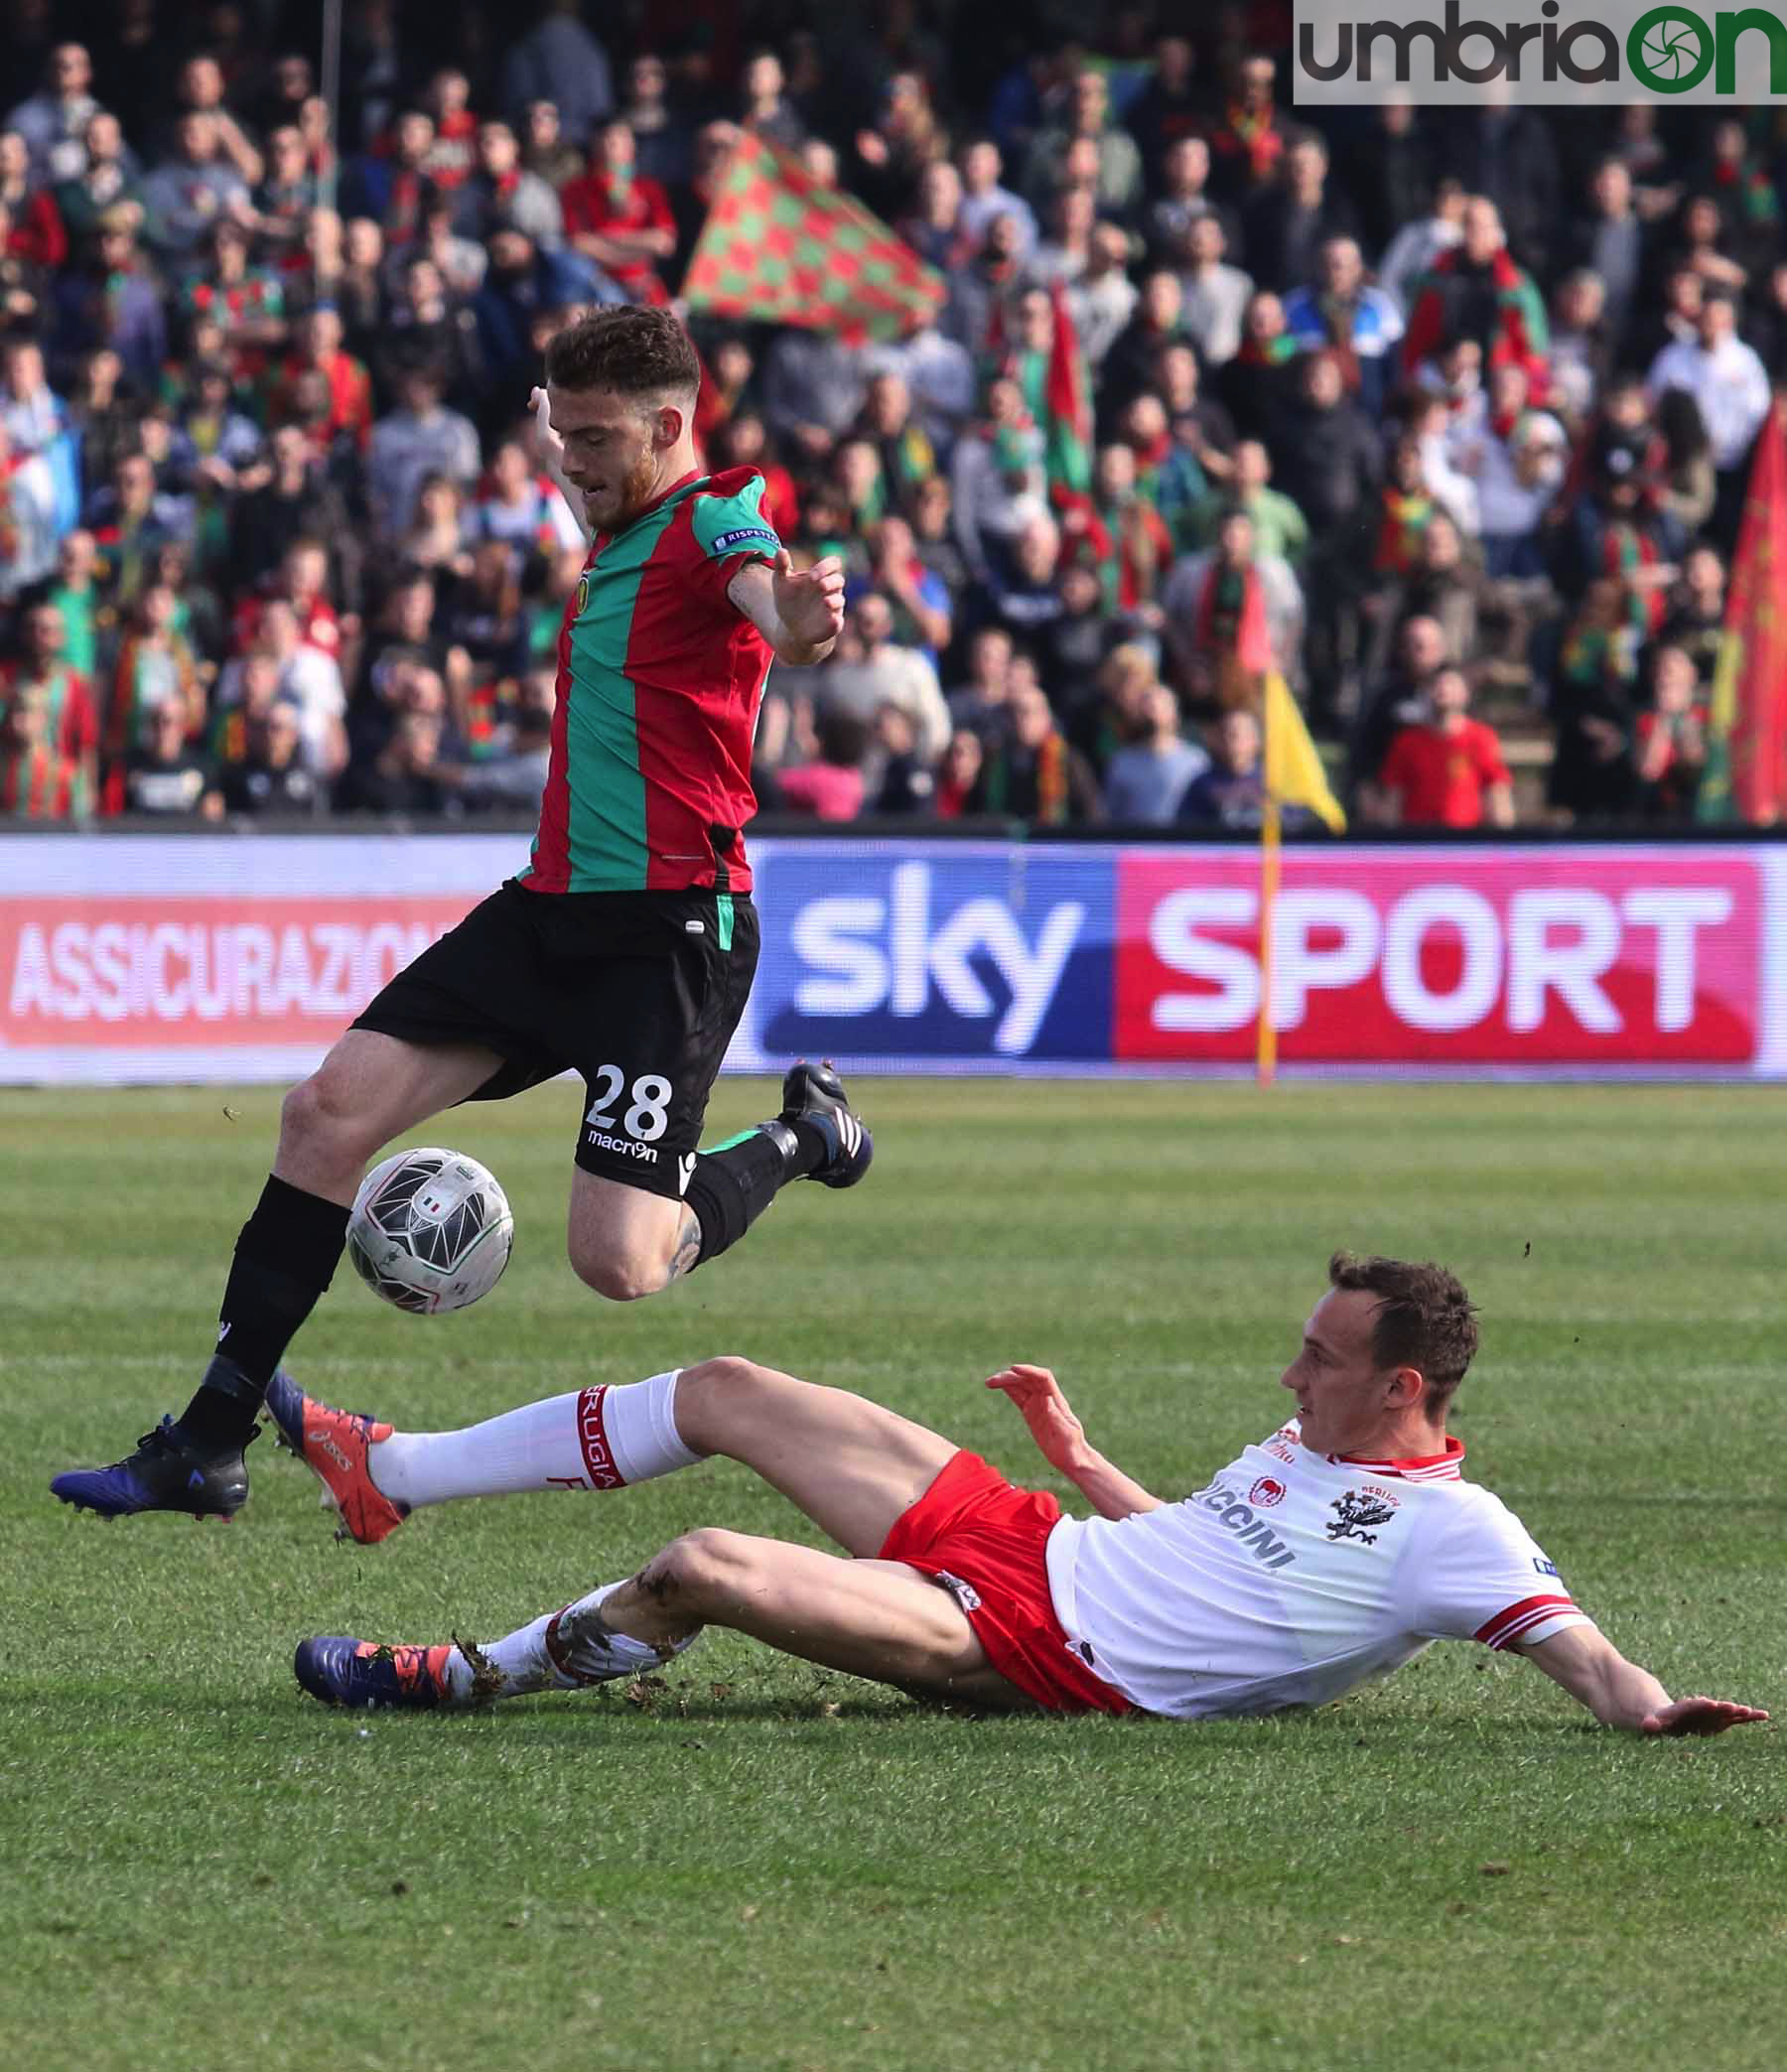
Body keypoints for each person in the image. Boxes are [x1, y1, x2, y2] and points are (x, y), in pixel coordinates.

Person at [52, 306, 867, 1528]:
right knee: (325, 1113)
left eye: (597, 438)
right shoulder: (619, 500)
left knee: (622, 1262)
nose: (572, 460)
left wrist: (796, 623)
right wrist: (559, 430)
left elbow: (767, 593)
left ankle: (806, 1136)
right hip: (548, 913)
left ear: (670, 427)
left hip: (669, 933)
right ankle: (207, 1445)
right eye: (563, 432)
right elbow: (564, 437)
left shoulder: (709, 521)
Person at [275, 1252, 1766, 1739]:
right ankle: (388, 1471)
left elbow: (1573, 1642)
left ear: (1404, 1389)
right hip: (1040, 1538)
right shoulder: (1313, 1441)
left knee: (705, 1562)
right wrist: (1080, 1461)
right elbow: (1205, 1541)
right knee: (728, 1383)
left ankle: (464, 1673)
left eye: (1319, 1353)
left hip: (1037, 1647)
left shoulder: (1456, 1531)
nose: (1289, 1364)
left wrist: (1642, 1704)